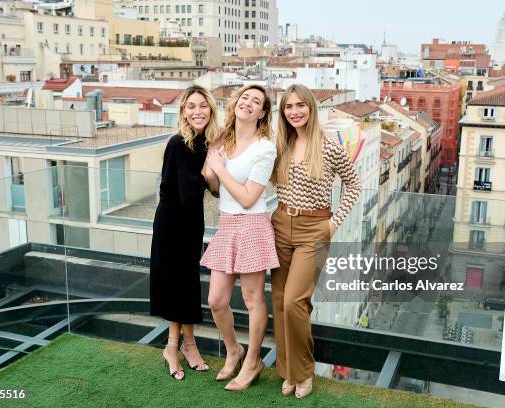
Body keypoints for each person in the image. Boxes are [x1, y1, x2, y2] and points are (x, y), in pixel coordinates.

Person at [270, 84, 361, 398]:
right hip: (280, 224)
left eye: (300, 105)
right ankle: (288, 372)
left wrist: (333, 224)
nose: (295, 111)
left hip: (314, 230)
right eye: (288, 106)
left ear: (311, 107)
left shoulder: (329, 147)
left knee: (296, 301)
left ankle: (304, 371)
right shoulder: (280, 144)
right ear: (283, 112)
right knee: (280, 303)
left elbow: (354, 185)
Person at [200, 84, 279, 391]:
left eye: (255, 101)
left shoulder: (265, 147)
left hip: (251, 225)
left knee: (252, 300)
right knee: (216, 300)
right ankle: (234, 350)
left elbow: (248, 198)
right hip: (226, 224)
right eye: (245, 97)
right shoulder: (224, 138)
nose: (248, 102)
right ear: (236, 103)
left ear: (262, 113)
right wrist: (211, 165)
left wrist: (220, 167)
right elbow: (216, 188)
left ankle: (253, 362)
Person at [150, 85, 219, 381]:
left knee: (188, 283)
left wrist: (214, 161)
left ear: (211, 110)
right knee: (181, 284)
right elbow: (192, 188)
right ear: (183, 112)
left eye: (203, 105)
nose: (197, 111)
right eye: (191, 106)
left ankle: (178, 346)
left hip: (192, 220)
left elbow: (214, 190)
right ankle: (180, 346)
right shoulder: (178, 143)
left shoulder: (206, 143)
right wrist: (213, 164)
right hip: (172, 222)